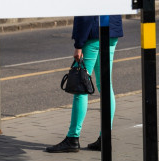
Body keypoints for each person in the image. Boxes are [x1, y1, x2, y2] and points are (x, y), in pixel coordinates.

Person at [46, 15, 123, 153]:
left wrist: (79, 44)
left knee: (80, 87)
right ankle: (105, 138)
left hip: (92, 34)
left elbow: (86, 14)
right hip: (111, 32)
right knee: (105, 85)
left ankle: (73, 138)